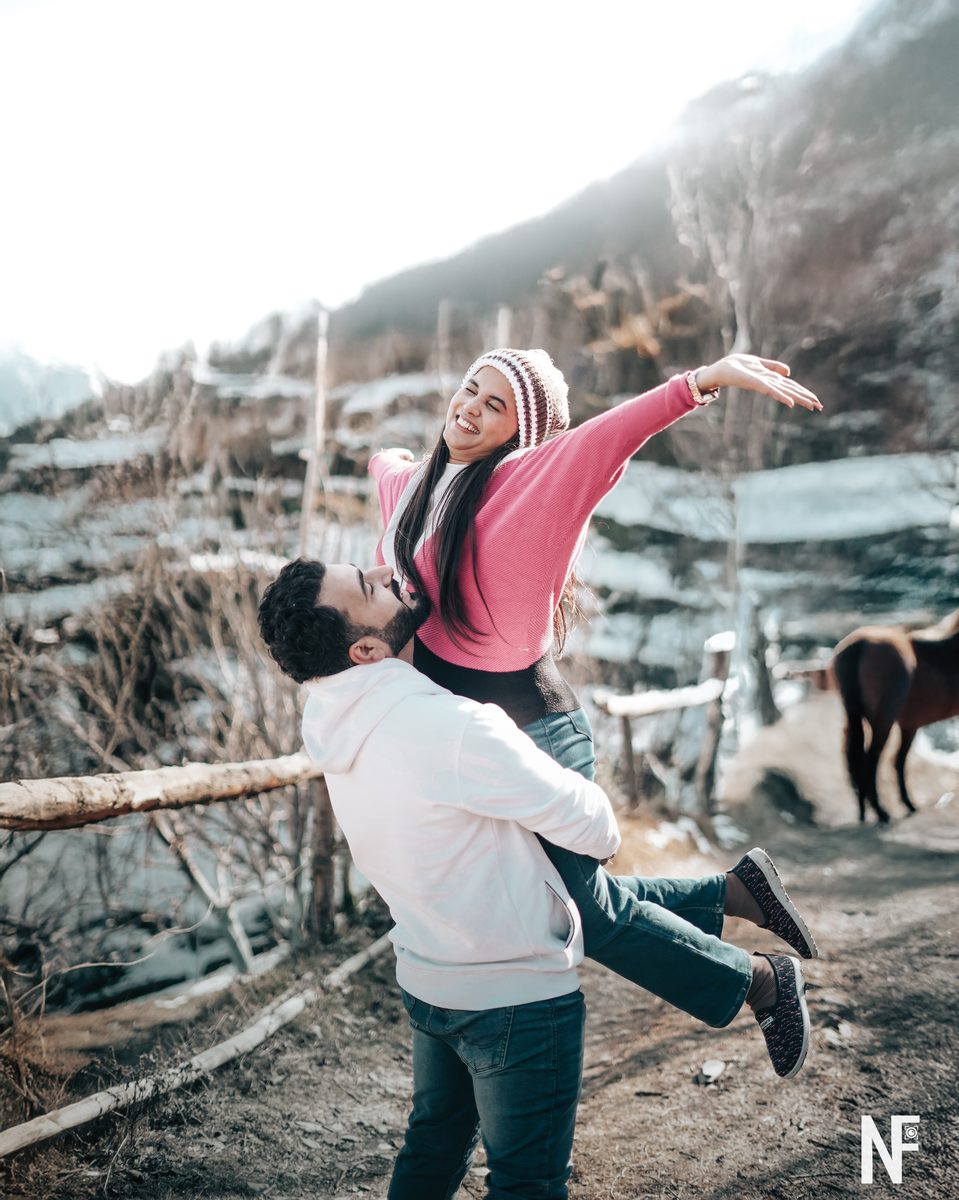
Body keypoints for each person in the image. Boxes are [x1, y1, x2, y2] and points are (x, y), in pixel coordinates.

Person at [257, 558, 815, 1199]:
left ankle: (742, 909)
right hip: (515, 997)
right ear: (364, 649)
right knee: (525, 1182)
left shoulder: (328, 718)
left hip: (427, 978)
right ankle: (752, 945)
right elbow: (597, 825)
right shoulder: (452, 729)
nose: (385, 571)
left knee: (431, 1150)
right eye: (368, 586)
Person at [368, 349, 821, 1037]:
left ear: (522, 435)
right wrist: (384, 450)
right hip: (462, 738)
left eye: (496, 406)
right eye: (469, 390)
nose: (469, 409)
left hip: (536, 733)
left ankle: (758, 983)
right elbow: (386, 464)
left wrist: (699, 382)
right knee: (552, 901)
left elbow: (607, 436)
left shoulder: (528, 482)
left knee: (579, 913)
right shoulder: (412, 488)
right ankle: (735, 892)